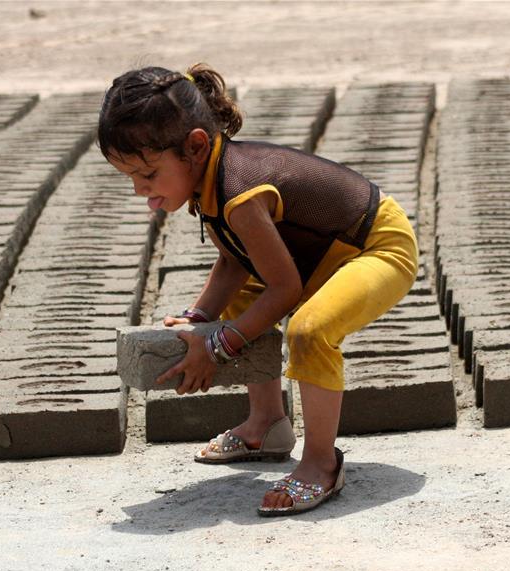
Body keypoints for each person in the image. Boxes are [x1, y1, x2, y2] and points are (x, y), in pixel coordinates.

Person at [98, 63, 418, 516]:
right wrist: (199, 318)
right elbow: (235, 259)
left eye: (147, 175)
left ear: (195, 146)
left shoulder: (238, 192)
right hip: (323, 253)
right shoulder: (208, 178)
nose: (139, 192)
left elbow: (285, 290)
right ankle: (267, 425)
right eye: (129, 177)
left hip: (377, 246)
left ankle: (322, 463)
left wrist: (216, 347)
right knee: (245, 295)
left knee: (308, 330)